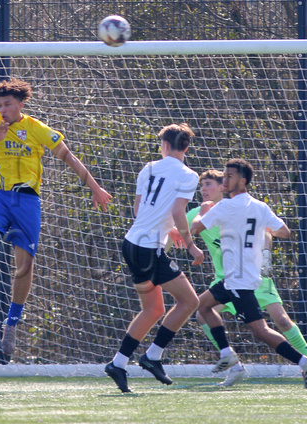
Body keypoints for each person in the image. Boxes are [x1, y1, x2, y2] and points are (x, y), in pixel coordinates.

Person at [0, 78, 112, 356]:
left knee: (24, 264)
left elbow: (69, 157)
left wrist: (95, 187)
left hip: (27, 199)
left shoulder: (36, 128)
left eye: (8, 105)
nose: (2, 109)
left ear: (21, 105)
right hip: (1, 194)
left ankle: (11, 324)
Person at [183, 169, 307, 386]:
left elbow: (195, 228)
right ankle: (230, 359)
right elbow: (284, 231)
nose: (205, 188)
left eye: (225, 179)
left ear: (240, 181)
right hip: (233, 278)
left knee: (264, 328)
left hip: (240, 278)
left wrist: (203, 213)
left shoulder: (227, 206)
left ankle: (306, 362)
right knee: (202, 308)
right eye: (202, 185)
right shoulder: (252, 206)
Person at [105, 123, 204, 393]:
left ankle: (119, 363)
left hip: (132, 244)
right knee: (189, 301)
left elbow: (140, 209)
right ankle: (152, 356)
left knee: (154, 309)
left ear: (164, 146)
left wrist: (167, 229)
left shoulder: (148, 168)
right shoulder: (189, 175)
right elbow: (177, 210)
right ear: (186, 147)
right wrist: (191, 245)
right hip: (149, 249)